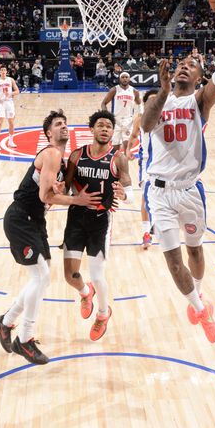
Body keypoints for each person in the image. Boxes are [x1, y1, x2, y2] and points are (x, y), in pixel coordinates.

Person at [141, 0, 215, 344]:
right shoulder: (157, 98)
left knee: (194, 251)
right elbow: (146, 126)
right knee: (173, 261)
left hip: (189, 192)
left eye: (194, 65)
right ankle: (201, 312)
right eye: (183, 63)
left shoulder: (200, 101)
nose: (186, 65)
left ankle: (199, 292)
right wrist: (160, 92)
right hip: (158, 192)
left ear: (202, 77)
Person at [0, 110, 101, 365]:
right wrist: (77, 199)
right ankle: (25, 339)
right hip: (21, 218)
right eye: (57, 124)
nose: (64, 126)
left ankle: (5, 323)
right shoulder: (51, 153)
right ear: (49, 133)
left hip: (34, 220)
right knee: (41, 277)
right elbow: (44, 197)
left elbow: (49, 195)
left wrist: (59, 190)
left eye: (65, 123)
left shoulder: (61, 161)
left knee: (40, 279)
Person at [62, 110, 132, 340]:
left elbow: (128, 188)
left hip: (101, 221)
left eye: (108, 126)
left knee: (97, 274)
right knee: (69, 274)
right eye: (100, 125)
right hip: (76, 217)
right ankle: (85, 292)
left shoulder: (118, 157)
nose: (104, 129)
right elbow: (66, 186)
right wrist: (56, 188)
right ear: (91, 129)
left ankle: (103, 314)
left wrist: (124, 194)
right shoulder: (76, 155)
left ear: (112, 132)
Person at [128, 89, 159, 249]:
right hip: (146, 163)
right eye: (150, 100)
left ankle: (157, 223)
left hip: (165, 164)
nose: (153, 103)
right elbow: (133, 136)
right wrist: (128, 149)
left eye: (156, 100)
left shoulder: (167, 117)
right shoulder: (140, 119)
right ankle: (146, 233)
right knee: (146, 197)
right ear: (145, 103)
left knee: (160, 197)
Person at [101, 72, 141, 153]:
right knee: (115, 146)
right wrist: (107, 115)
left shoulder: (134, 91)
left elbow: (139, 103)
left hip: (128, 120)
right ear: (120, 79)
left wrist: (140, 114)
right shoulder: (114, 90)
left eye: (126, 77)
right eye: (123, 77)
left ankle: (125, 163)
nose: (125, 79)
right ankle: (115, 163)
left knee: (127, 144)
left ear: (129, 79)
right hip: (116, 120)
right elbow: (103, 103)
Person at [0, 66, 20, 151]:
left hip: (9, 102)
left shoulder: (11, 80)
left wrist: (11, 94)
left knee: (11, 122)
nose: (3, 71)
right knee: (0, 122)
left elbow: (17, 91)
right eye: (1, 70)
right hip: (0, 103)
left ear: (6, 71)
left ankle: (11, 141)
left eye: (4, 70)